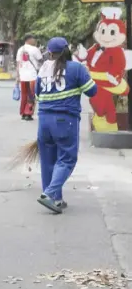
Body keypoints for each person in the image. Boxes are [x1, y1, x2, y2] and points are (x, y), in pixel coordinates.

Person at [35, 37, 97, 214]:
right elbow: (92, 91)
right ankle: (49, 194)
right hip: (65, 121)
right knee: (67, 159)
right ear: (67, 51)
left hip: (44, 121)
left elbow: (38, 96)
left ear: (50, 52)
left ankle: (56, 199)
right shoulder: (76, 68)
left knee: (48, 161)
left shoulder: (43, 69)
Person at [16, 34, 42, 121]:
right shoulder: (34, 49)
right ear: (29, 39)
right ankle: (28, 113)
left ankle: (23, 113)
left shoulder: (20, 49)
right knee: (31, 95)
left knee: (24, 95)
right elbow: (40, 59)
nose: (35, 41)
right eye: (34, 39)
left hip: (23, 76)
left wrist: (18, 76)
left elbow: (18, 64)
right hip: (32, 76)